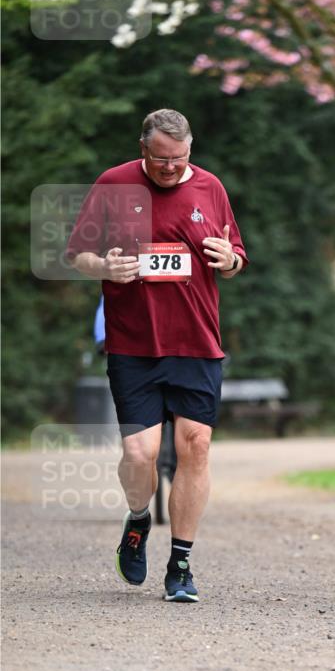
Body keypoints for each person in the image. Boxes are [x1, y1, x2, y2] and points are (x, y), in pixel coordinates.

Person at [68, 108, 247, 602]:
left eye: (181, 159)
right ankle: (140, 518)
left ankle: (182, 563)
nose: (171, 168)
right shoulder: (113, 183)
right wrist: (103, 264)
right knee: (138, 453)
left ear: (190, 150)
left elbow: (234, 257)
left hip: (196, 343)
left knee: (196, 447)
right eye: (162, 159)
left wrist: (228, 259)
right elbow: (78, 255)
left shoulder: (210, 187)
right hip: (135, 344)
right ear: (143, 149)